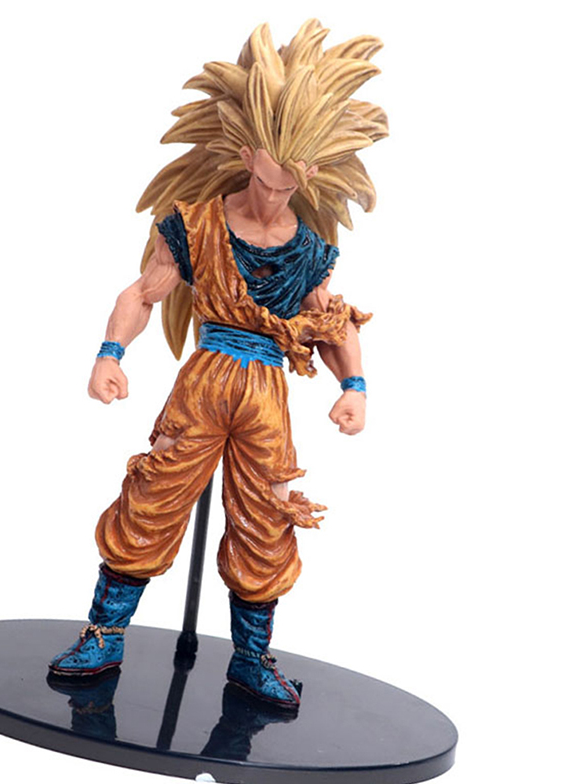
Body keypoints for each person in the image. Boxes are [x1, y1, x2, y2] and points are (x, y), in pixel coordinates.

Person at [49, 19, 388, 709]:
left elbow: (331, 321)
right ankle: (104, 634)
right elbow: (143, 293)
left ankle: (251, 659)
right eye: (265, 180)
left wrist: (353, 384)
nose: (274, 196)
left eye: (289, 186)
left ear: (308, 175)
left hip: (266, 393)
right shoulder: (197, 223)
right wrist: (110, 352)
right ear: (245, 156)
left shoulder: (308, 249)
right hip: (203, 382)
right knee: (152, 497)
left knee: (267, 517)